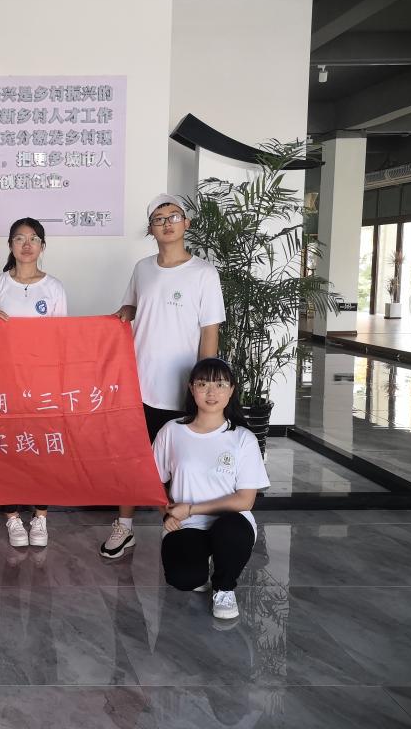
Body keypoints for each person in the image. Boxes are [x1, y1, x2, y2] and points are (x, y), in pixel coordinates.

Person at [100, 193, 226, 559]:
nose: (167, 223)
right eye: (159, 219)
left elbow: (210, 332)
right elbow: (131, 306)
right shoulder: (143, 268)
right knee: (132, 457)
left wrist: (206, 387)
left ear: (186, 224)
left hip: (182, 388)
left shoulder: (204, 273)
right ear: (151, 229)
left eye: (174, 216)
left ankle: (186, 530)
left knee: (181, 463)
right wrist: (120, 316)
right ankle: (125, 526)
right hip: (139, 383)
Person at [155, 357, 270, 620]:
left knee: (231, 529)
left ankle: (224, 588)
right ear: (191, 388)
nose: (211, 392)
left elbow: (245, 500)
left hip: (231, 522)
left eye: (220, 384)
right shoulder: (172, 432)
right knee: (184, 578)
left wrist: (191, 508)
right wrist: (166, 513)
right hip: (186, 524)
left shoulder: (242, 438)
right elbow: (153, 482)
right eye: (203, 384)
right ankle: (202, 562)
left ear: (231, 390)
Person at [0, 217, 67, 547]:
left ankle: (40, 516)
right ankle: (12, 517)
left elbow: (61, 339)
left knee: (42, 448)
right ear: (10, 245)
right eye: (19, 238)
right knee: (6, 448)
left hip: (42, 383)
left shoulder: (55, 288)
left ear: (42, 246)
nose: (27, 244)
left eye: (33, 239)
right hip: (5, 383)